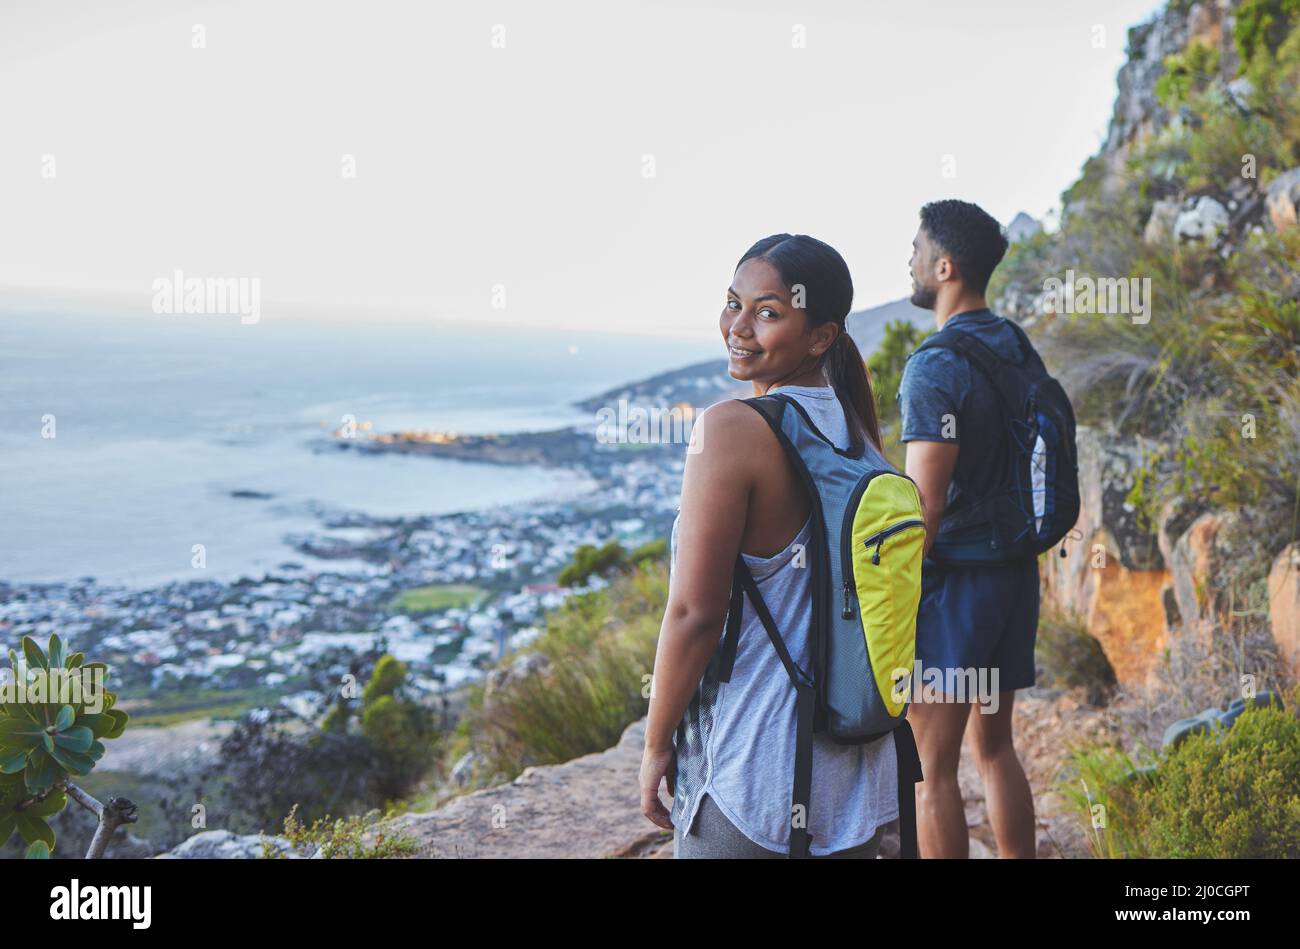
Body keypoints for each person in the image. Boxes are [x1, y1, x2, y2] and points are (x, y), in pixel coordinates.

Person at [638, 233, 898, 858]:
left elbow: (695, 615)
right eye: (734, 303)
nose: (739, 326)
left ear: (821, 337)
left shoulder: (729, 430)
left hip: (752, 774)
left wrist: (654, 746)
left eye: (769, 312)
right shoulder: (857, 430)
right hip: (857, 777)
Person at [899, 199, 1040, 858]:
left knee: (931, 769)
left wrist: (892, 599)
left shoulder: (934, 364)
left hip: (956, 582)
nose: (911, 259)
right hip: (1013, 569)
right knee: (997, 746)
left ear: (945, 265)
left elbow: (922, 507)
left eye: (918, 248)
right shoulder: (1015, 345)